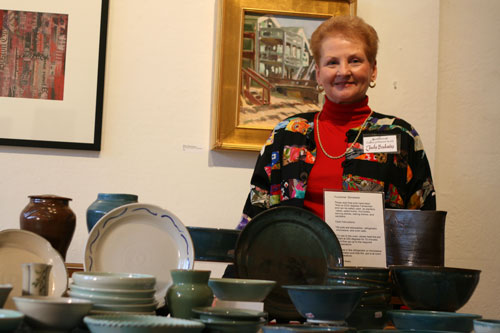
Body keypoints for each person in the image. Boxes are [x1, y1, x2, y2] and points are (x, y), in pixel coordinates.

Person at [237, 15, 436, 230]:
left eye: (355, 60)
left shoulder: (401, 136)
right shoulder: (286, 133)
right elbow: (255, 217)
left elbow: (422, 228)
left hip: (373, 264)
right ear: (319, 74)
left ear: (373, 70)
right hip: (293, 261)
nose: (344, 71)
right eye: (332, 62)